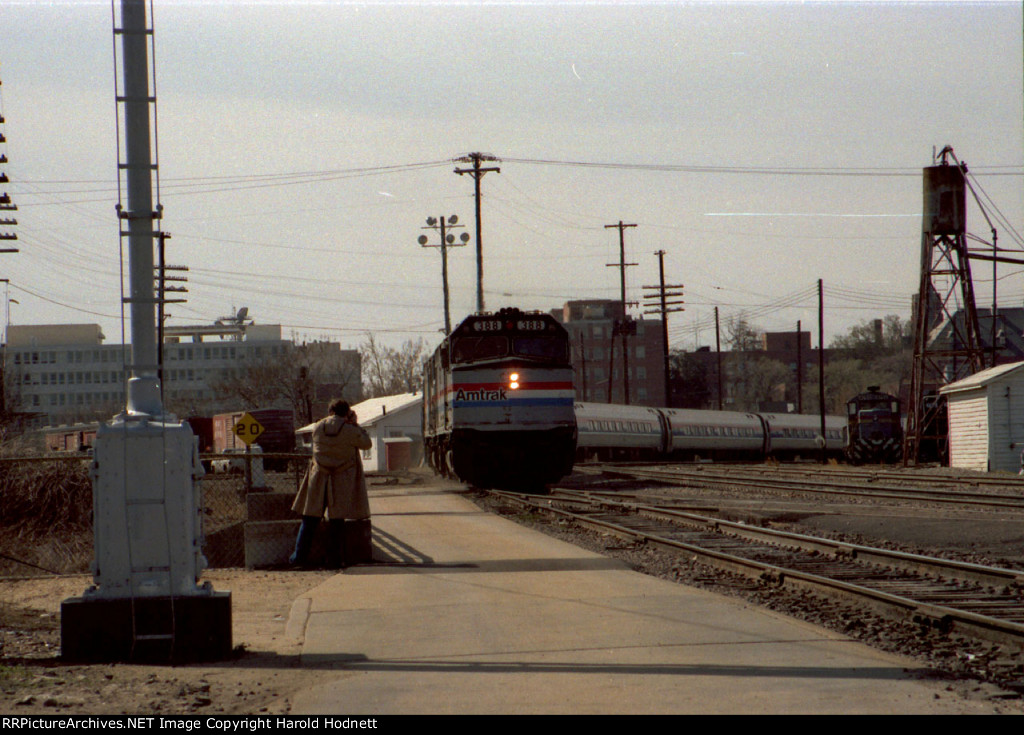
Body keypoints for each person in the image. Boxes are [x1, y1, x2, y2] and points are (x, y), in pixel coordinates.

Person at [290, 399, 372, 568]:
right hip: (341, 480)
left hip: (318, 477)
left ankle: (299, 559)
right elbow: (366, 444)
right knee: (337, 522)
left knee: (309, 520)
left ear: (330, 411)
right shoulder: (350, 430)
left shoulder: (317, 428)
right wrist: (354, 424)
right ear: (347, 413)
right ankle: (333, 560)